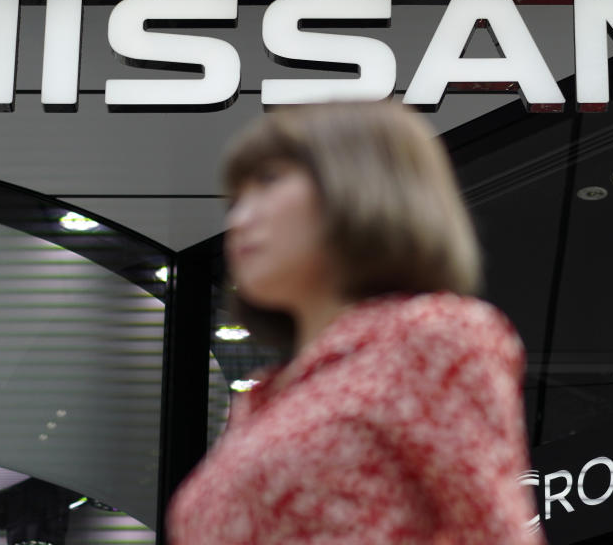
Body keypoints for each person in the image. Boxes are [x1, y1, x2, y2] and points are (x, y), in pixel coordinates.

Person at [166, 101, 545, 545]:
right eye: (235, 200)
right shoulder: (263, 400)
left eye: (268, 181)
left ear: (359, 184)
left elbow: (490, 532)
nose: (239, 218)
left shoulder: (429, 338)